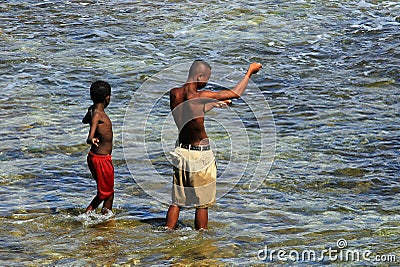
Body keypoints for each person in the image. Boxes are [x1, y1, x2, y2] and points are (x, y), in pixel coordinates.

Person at [166, 60, 262, 230]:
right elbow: (236, 93)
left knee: (177, 201)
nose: (207, 83)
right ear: (199, 76)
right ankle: (203, 240)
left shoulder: (175, 93)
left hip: (181, 151)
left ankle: (167, 232)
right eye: (207, 79)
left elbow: (190, 113)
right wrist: (249, 72)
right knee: (202, 204)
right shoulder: (198, 96)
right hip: (200, 155)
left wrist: (212, 105)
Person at [82, 80, 114, 215]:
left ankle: (103, 218)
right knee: (106, 192)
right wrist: (91, 138)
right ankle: (88, 215)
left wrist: (90, 111)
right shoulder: (97, 114)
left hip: (96, 157)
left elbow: (84, 120)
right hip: (101, 159)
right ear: (107, 98)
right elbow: (90, 135)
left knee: (107, 191)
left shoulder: (92, 110)